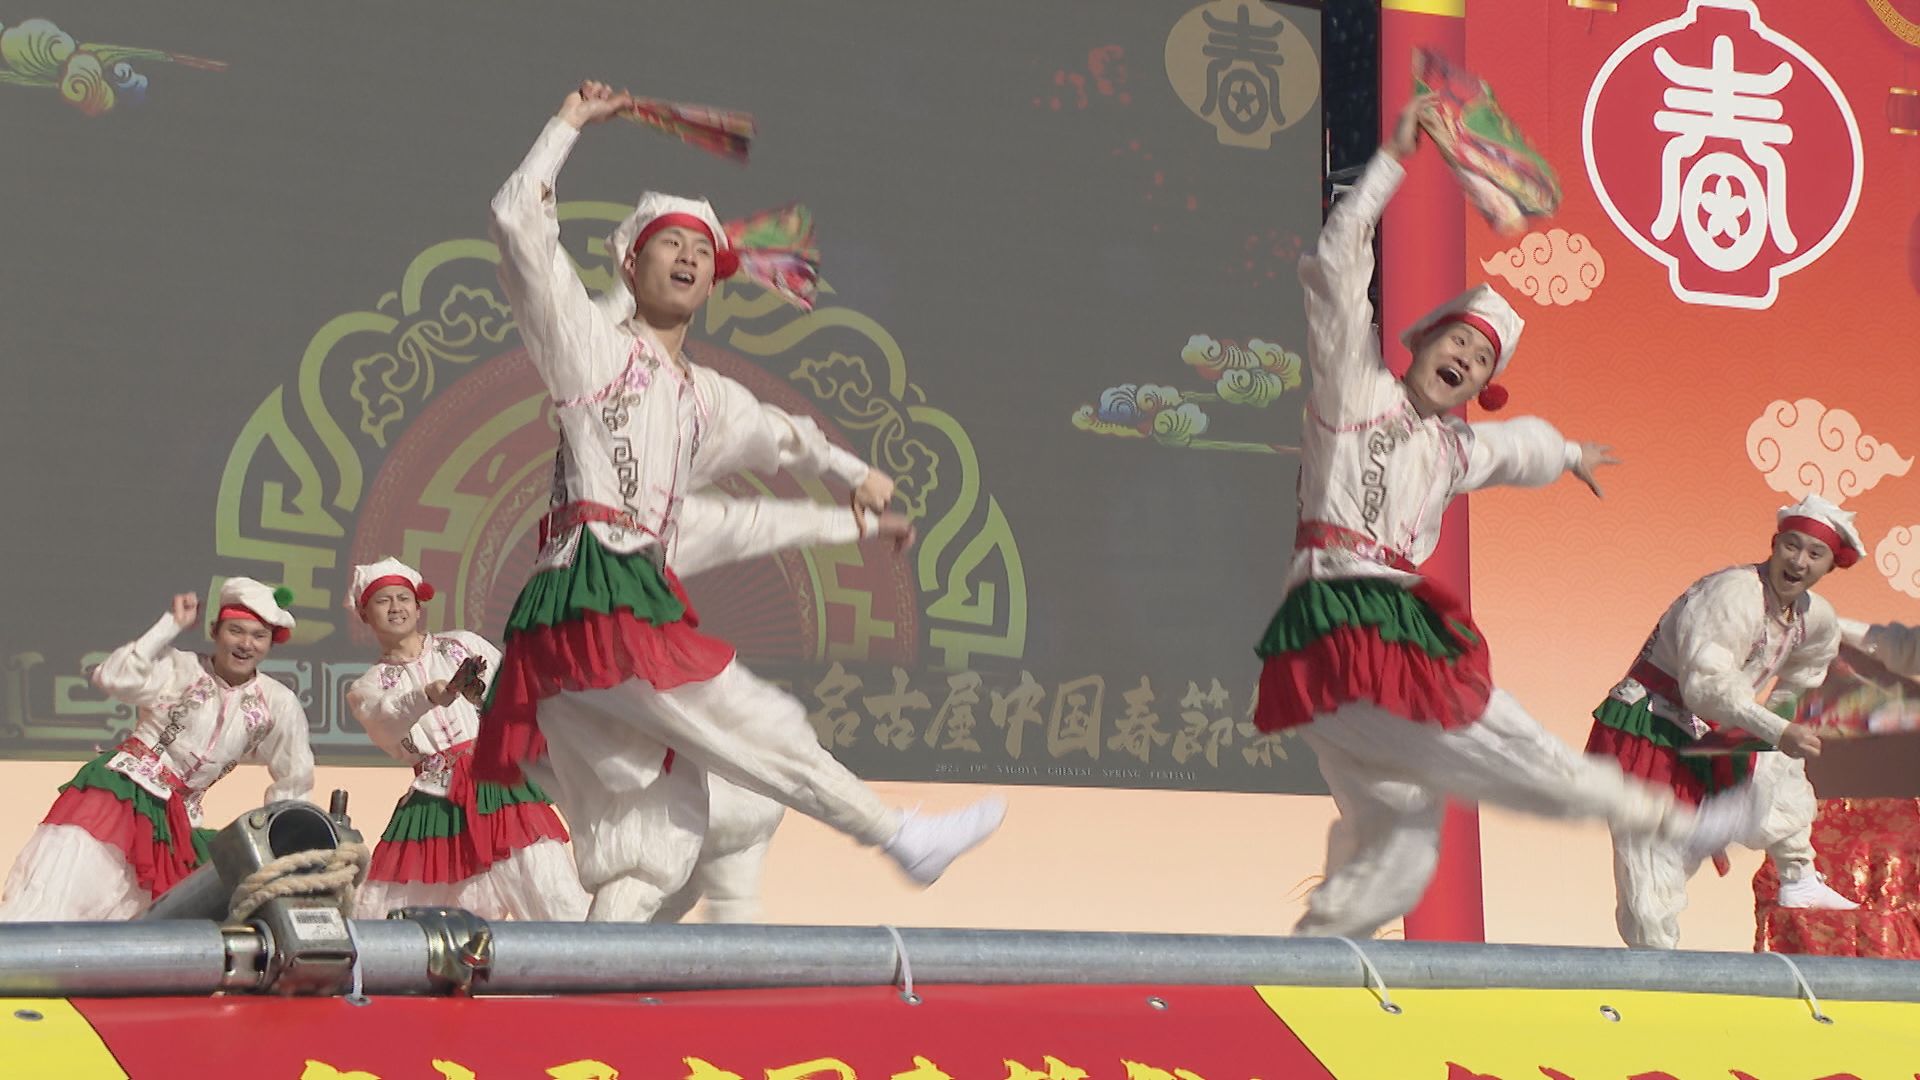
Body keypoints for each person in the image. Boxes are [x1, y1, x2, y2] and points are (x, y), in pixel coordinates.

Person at [475, 80, 1003, 921]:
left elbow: (776, 443)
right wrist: (569, 123)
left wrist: (851, 481)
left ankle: (580, 1016)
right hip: (595, 606)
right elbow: (520, 226)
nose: (686, 257)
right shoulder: (593, 352)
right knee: (760, 723)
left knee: (646, 846)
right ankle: (899, 835)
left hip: (590, 628)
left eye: (699, 249)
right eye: (667, 243)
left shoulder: (703, 398)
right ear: (628, 263)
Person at [1250, 94, 1760, 939]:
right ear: (1423, 339)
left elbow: (1514, 449)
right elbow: (1340, 264)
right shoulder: (1354, 386)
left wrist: (1567, 456)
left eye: (1483, 357)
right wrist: (1391, 162)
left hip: (1349, 670)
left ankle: (1304, 971)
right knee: (1517, 746)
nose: (1466, 357)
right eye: (1459, 340)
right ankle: (1675, 820)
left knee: (1402, 852)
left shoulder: (1455, 450)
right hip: (1349, 623)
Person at [1585, 495, 1862, 948]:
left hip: (1710, 731)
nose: (1799, 561)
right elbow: (1705, 687)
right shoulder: (1732, 593)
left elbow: (1804, 673)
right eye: (1791, 546)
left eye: (1815, 554)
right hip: (1649, 725)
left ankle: (1798, 877)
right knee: (1652, 878)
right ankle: (1655, 970)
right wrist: (1775, 730)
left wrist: (1776, 729)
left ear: (1830, 565)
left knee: (1781, 774)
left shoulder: (1817, 618)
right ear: (1775, 545)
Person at [0, 578, 313, 920]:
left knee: (147, 925)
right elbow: (112, 677)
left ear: (271, 643)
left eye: (258, 636)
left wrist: (286, 843)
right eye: (235, 631)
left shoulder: (278, 703)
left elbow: (294, 779)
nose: (245, 644)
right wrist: (170, 625)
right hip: (119, 796)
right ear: (215, 631)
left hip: (177, 822)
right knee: (67, 895)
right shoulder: (179, 667)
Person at [345, 557, 590, 920]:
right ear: (365, 614)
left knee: (551, 892)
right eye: (383, 601)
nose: (396, 607)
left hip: (499, 786)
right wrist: (426, 696)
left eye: (403, 598)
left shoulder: (461, 644)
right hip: (434, 798)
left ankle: (593, 969)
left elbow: (515, 695)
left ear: (417, 605)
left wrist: (482, 698)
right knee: (387, 914)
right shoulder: (366, 687)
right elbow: (386, 723)